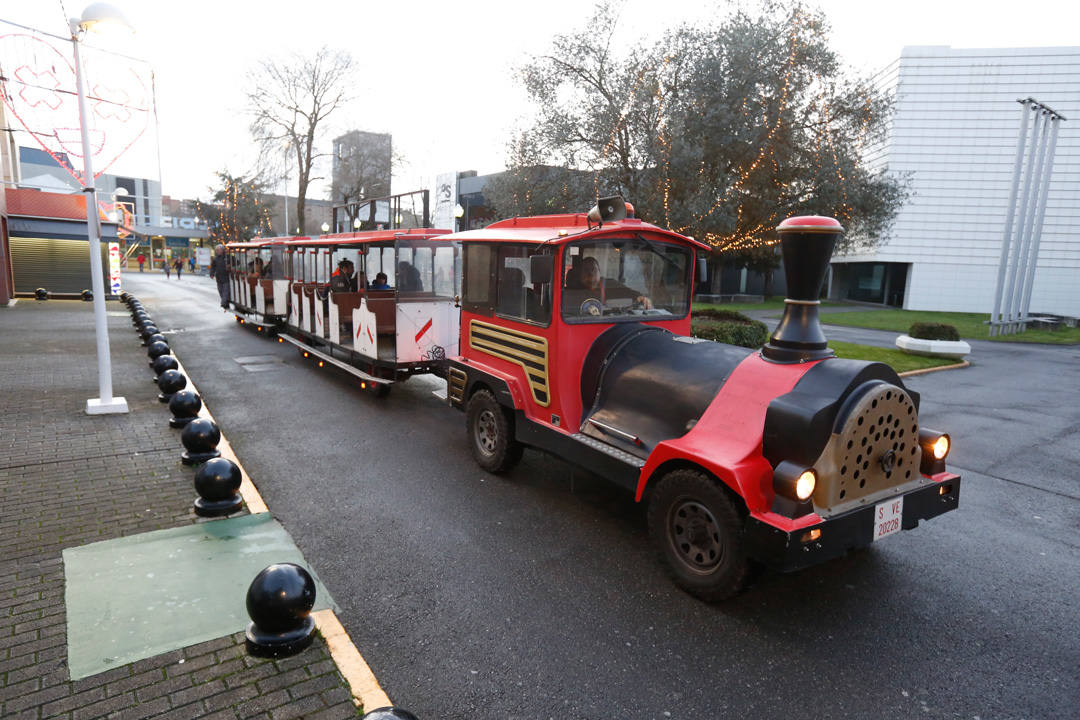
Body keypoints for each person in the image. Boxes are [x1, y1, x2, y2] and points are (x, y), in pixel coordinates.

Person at [209, 245, 230, 309]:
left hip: (226, 277)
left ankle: (223, 303)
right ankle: (226, 303)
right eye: (216, 250)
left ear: (222, 250)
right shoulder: (215, 259)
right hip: (219, 278)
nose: (217, 251)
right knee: (220, 291)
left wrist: (230, 266)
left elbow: (237, 262)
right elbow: (212, 267)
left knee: (225, 291)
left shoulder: (228, 257)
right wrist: (211, 274)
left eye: (218, 250)